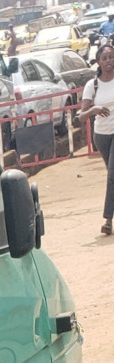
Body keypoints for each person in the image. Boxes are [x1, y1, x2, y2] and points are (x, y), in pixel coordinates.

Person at [81, 43, 114, 233]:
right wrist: (93, 109)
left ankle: (108, 219)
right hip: (101, 136)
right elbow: (80, 116)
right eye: (105, 58)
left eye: (111, 57)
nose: (109, 61)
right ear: (99, 62)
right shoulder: (92, 85)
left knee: (112, 175)